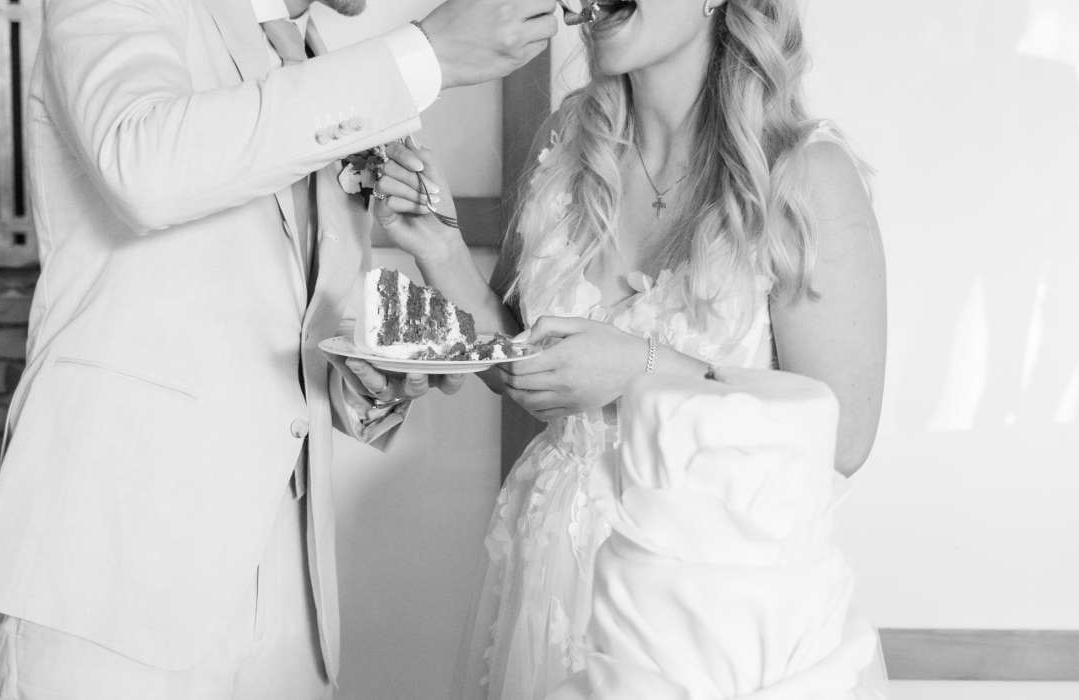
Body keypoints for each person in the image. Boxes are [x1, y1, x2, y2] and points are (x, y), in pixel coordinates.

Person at [0, 0, 558, 698]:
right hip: (113, 582)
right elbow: (143, 166)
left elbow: (293, 326)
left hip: (290, 613)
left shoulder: (313, 61)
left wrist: (369, 382)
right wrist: (422, 54)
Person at [374, 0, 887, 696]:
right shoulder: (568, 141)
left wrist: (640, 369)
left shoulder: (804, 175)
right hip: (545, 570)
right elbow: (526, 357)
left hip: (693, 604)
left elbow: (842, 438)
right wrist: (442, 251)